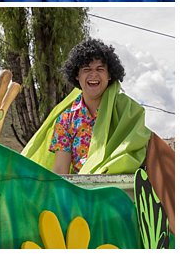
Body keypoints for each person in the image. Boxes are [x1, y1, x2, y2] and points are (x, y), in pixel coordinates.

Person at [24, 38, 175, 223]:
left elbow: (137, 151)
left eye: (100, 69)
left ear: (110, 75)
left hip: (124, 203)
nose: (93, 75)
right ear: (77, 76)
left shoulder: (127, 111)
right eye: (86, 69)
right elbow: (61, 170)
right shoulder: (66, 120)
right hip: (81, 203)